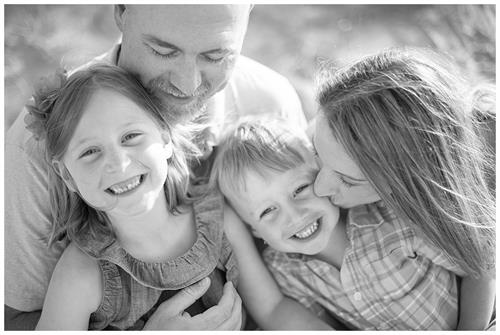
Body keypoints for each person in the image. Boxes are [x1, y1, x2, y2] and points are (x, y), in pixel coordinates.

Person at [4, 5, 306, 330]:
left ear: (166, 139)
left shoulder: (269, 104)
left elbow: (295, 285)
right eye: (163, 50)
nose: (188, 84)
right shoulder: (33, 151)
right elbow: (21, 316)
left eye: (216, 56)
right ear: (121, 10)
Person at [210, 117, 484, 330]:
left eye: (299, 189)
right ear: (255, 229)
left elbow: (480, 266)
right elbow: (281, 313)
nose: (294, 215)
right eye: (268, 210)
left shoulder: (389, 219)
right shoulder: (286, 272)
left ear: (324, 175)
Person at [312, 47, 495, 330]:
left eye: (347, 180)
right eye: (316, 152)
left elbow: (482, 259)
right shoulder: (339, 130)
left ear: (410, 183)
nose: (319, 187)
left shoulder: (467, 192)